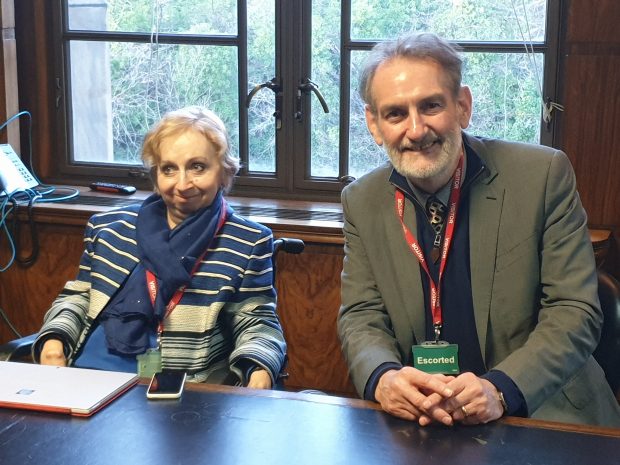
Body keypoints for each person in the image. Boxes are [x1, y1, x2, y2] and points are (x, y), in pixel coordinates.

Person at [338, 32, 620, 427]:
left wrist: (501, 389)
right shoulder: (361, 201)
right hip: (426, 419)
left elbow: (575, 311)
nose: (416, 130)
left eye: (431, 105)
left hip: (541, 414)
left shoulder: (542, 175)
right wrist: (382, 377)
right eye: (396, 113)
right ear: (374, 123)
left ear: (463, 106)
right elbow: (361, 315)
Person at [34, 106, 286, 389]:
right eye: (169, 169)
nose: (182, 184)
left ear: (224, 173)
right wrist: (54, 340)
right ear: (155, 176)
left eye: (197, 167)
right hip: (91, 375)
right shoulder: (108, 228)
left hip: (182, 386)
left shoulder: (248, 240)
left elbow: (256, 321)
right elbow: (79, 298)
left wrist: (259, 368)